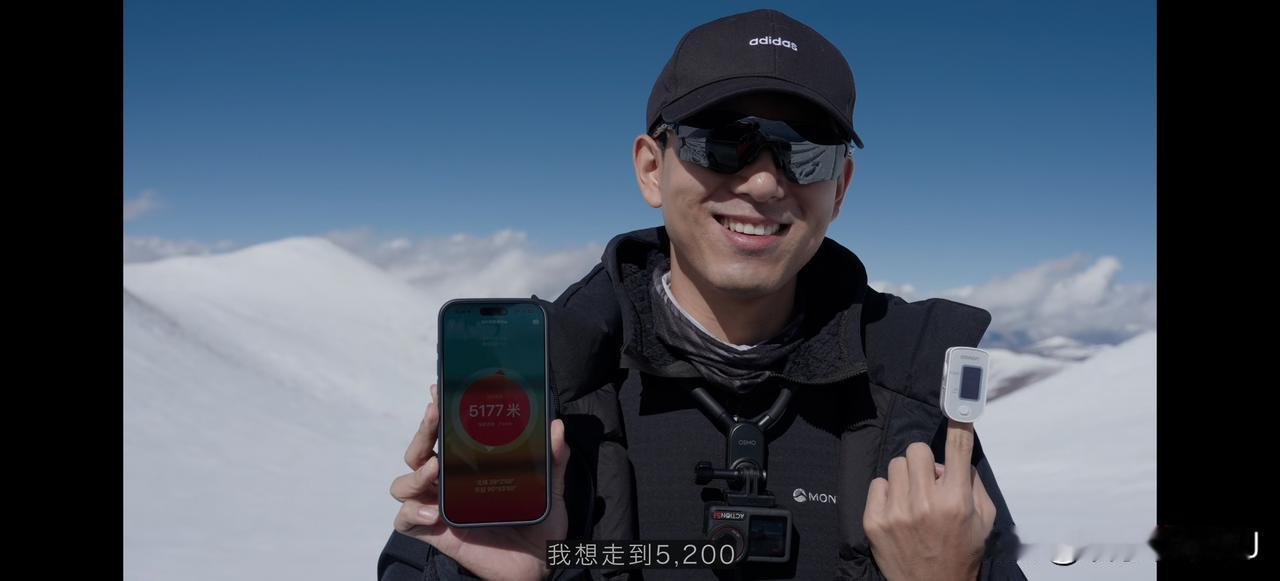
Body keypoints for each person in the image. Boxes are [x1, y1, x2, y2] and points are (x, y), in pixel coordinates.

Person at [380, 8, 1026, 581]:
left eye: (806, 153)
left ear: (840, 188)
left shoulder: (910, 403)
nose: (764, 183)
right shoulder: (547, 394)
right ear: (651, 168)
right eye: (723, 141)